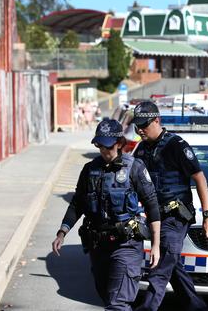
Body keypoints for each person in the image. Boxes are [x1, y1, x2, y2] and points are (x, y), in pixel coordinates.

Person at [52, 119, 161, 310]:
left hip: (125, 246)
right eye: (100, 145)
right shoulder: (90, 169)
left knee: (117, 304)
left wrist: (156, 245)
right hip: (98, 247)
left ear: (119, 144)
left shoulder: (135, 168)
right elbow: (78, 203)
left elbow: (152, 207)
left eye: (108, 146)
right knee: (107, 296)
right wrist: (62, 232)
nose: (103, 150)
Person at [131, 101, 208, 311]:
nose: (140, 130)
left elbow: (199, 178)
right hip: (156, 218)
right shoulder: (142, 149)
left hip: (176, 216)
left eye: (144, 125)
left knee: (161, 264)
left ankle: (148, 307)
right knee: (173, 265)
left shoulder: (176, 145)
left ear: (157, 120)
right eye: (137, 126)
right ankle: (197, 307)